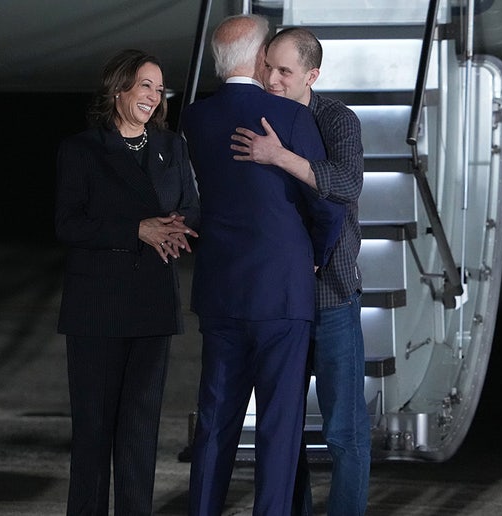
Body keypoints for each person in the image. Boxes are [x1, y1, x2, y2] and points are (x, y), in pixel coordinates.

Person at [179, 14, 345, 516]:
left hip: (221, 289)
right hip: (282, 291)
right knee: (278, 424)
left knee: (215, 420)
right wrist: (313, 259)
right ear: (258, 59)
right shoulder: (290, 118)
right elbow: (328, 205)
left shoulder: (194, 118)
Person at [54, 48, 200, 516]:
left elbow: (193, 207)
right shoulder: (82, 149)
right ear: (118, 90)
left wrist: (177, 226)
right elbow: (68, 225)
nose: (154, 97)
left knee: (140, 434)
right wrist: (136, 229)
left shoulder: (171, 146)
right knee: (94, 433)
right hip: (97, 305)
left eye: (160, 89)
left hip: (153, 303)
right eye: (145, 86)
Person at [230, 27, 369, 515]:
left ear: (312, 75)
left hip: (331, 298)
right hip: (280, 300)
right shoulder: (260, 112)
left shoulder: (336, 119)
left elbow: (347, 183)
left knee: (344, 432)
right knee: (284, 429)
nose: (270, 78)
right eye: (268, 66)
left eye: (284, 71)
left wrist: (279, 156)